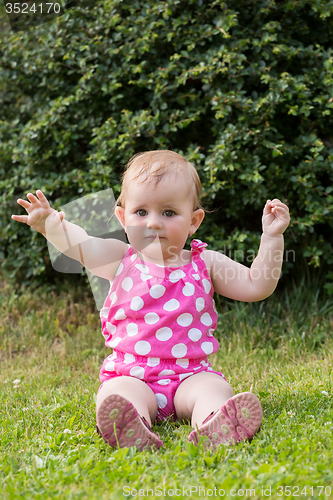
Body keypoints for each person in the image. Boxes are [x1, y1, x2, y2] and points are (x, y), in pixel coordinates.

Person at [12, 150, 290, 451]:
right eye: (141, 212)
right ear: (123, 218)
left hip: (191, 375)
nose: (153, 223)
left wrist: (272, 238)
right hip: (133, 374)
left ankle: (214, 421)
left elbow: (256, 284)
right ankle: (132, 424)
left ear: (194, 221)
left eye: (169, 213)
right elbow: (82, 246)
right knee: (116, 392)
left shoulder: (205, 263)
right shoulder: (118, 258)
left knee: (214, 388)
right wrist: (53, 226)